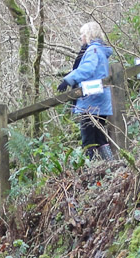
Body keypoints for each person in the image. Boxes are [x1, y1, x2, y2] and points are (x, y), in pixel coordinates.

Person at [56, 22, 114, 160]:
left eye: (82, 34)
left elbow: (87, 69)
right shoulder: (100, 50)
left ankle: (91, 170)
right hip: (101, 100)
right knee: (100, 137)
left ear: (88, 35)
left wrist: (68, 80)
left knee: (88, 139)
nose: (81, 37)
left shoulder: (93, 50)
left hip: (91, 101)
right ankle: (110, 165)